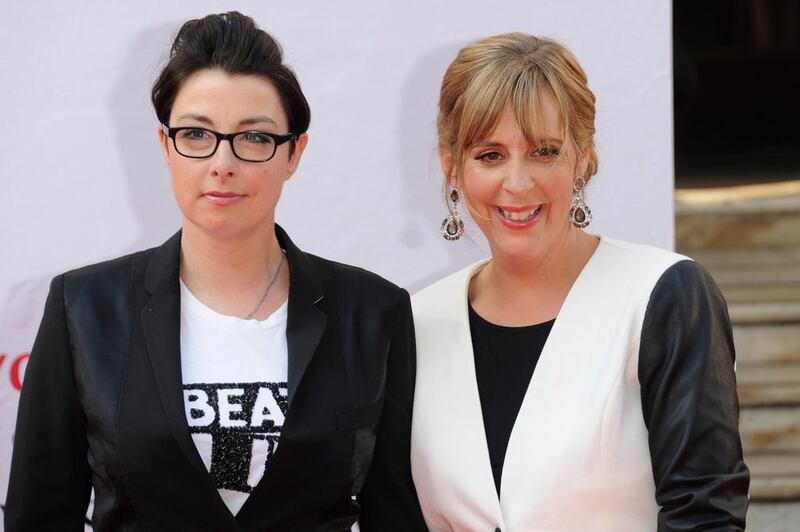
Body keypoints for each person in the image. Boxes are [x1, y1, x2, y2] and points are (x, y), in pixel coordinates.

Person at [5, 12, 425, 532]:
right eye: (197, 134)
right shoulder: (85, 308)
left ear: (294, 152)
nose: (222, 163)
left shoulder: (372, 312)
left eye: (253, 138)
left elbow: (397, 513)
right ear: (166, 146)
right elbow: (38, 515)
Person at [410, 33, 749, 531]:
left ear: (584, 156)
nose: (518, 183)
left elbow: (706, 513)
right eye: (490, 154)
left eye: (544, 151)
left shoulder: (663, 296)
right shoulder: (417, 321)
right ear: (451, 165)